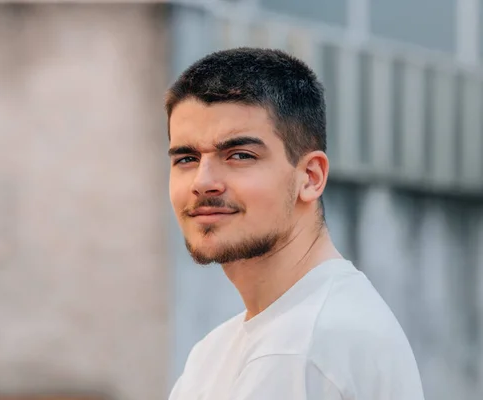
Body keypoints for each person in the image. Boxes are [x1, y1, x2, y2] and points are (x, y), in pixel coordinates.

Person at [165, 48, 424, 400]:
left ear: (311, 177)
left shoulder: (308, 348)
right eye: (186, 158)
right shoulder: (216, 352)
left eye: (240, 155)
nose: (203, 181)